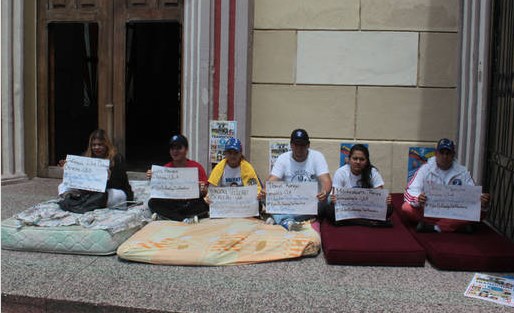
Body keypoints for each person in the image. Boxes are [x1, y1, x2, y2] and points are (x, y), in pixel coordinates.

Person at [402, 138, 491, 233]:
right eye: (442, 152)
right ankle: (456, 226)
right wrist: (418, 198)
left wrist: (482, 200)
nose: (445, 156)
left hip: (454, 212)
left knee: (481, 212)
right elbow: (411, 190)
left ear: (453, 155)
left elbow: (473, 194)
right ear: (436, 154)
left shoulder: (463, 172)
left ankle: (436, 227)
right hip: (431, 211)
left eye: (448, 153)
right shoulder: (425, 169)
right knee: (407, 208)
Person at [267, 129, 332, 231]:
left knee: (329, 199)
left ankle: (284, 219)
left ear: (308, 145)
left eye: (302, 145)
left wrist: (325, 191)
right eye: (296, 145)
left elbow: (326, 181)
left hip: (313, 202)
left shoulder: (317, 156)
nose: (299, 148)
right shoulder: (283, 158)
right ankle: (290, 219)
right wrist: (266, 190)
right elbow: (272, 179)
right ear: (291, 145)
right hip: (292, 202)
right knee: (269, 199)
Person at [58, 129, 134, 208]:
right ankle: (72, 199)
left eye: (100, 145)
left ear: (106, 145)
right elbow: (79, 179)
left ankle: (78, 203)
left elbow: (120, 183)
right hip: (89, 191)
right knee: (63, 186)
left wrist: (108, 178)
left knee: (106, 196)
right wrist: (68, 170)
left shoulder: (117, 158)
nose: (96, 147)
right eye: (94, 145)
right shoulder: (86, 157)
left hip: (111, 190)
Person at [146, 134, 209, 224]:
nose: (175, 151)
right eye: (172, 148)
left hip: (190, 203)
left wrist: (202, 189)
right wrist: (153, 177)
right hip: (172, 203)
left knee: (205, 204)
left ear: (186, 150)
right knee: (152, 203)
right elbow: (159, 192)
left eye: (179, 148)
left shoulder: (196, 167)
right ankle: (184, 218)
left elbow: (205, 193)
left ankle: (170, 216)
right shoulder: (165, 169)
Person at [327, 144, 392, 226]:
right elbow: (334, 197)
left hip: (367, 209)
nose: (358, 162)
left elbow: (380, 194)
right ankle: (367, 222)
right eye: (355, 158)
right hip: (348, 209)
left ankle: (351, 221)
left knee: (389, 208)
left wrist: (386, 199)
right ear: (349, 159)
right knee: (329, 210)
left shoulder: (373, 172)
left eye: (362, 159)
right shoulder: (340, 172)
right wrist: (334, 199)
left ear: (367, 161)